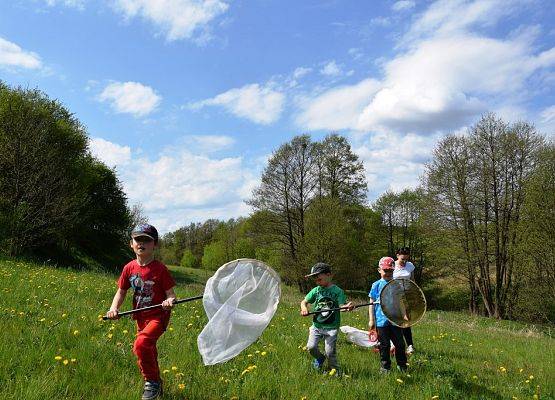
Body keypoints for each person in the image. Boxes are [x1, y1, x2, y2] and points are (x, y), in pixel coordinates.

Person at [106, 224, 177, 400]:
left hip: (158, 317)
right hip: (140, 317)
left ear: (155, 244)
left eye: (147, 240)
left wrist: (169, 302)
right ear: (131, 243)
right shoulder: (129, 268)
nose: (141, 243)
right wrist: (114, 308)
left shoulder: (160, 269)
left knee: (141, 344)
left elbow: (171, 295)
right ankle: (158, 385)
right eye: (138, 239)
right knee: (148, 348)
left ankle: (151, 381)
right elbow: (121, 291)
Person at [300, 262, 353, 374]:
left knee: (330, 352)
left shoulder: (337, 291)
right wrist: (304, 308)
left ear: (329, 275)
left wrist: (347, 307)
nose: (317, 282)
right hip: (317, 326)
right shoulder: (316, 290)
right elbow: (304, 301)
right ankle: (319, 358)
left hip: (331, 327)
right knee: (311, 347)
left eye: (319, 279)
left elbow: (341, 307)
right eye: (316, 280)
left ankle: (335, 371)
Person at [368, 257, 407, 374]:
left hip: (395, 320)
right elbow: (371, 303)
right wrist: (371, 320)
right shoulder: (376, 285)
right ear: (379, 270)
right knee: (384, 345)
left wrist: (404, 315)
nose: (388, 273)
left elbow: (401, 302)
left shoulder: (397, 285)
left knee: (400, 344)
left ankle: (402, 365)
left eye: (391, 271)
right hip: (381, 321)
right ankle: (385, 367)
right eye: (385, 271)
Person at [393, 247, 416, 354]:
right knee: (395, 320)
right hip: (393, 296)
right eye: (402, 259)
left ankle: (410, 345)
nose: (404, 261)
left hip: (406, 296)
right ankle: (394, 344)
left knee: (406, 320)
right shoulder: (392, 265)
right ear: (397, 256)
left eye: (406, 259)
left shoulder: (410, 266)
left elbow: (412, 280)